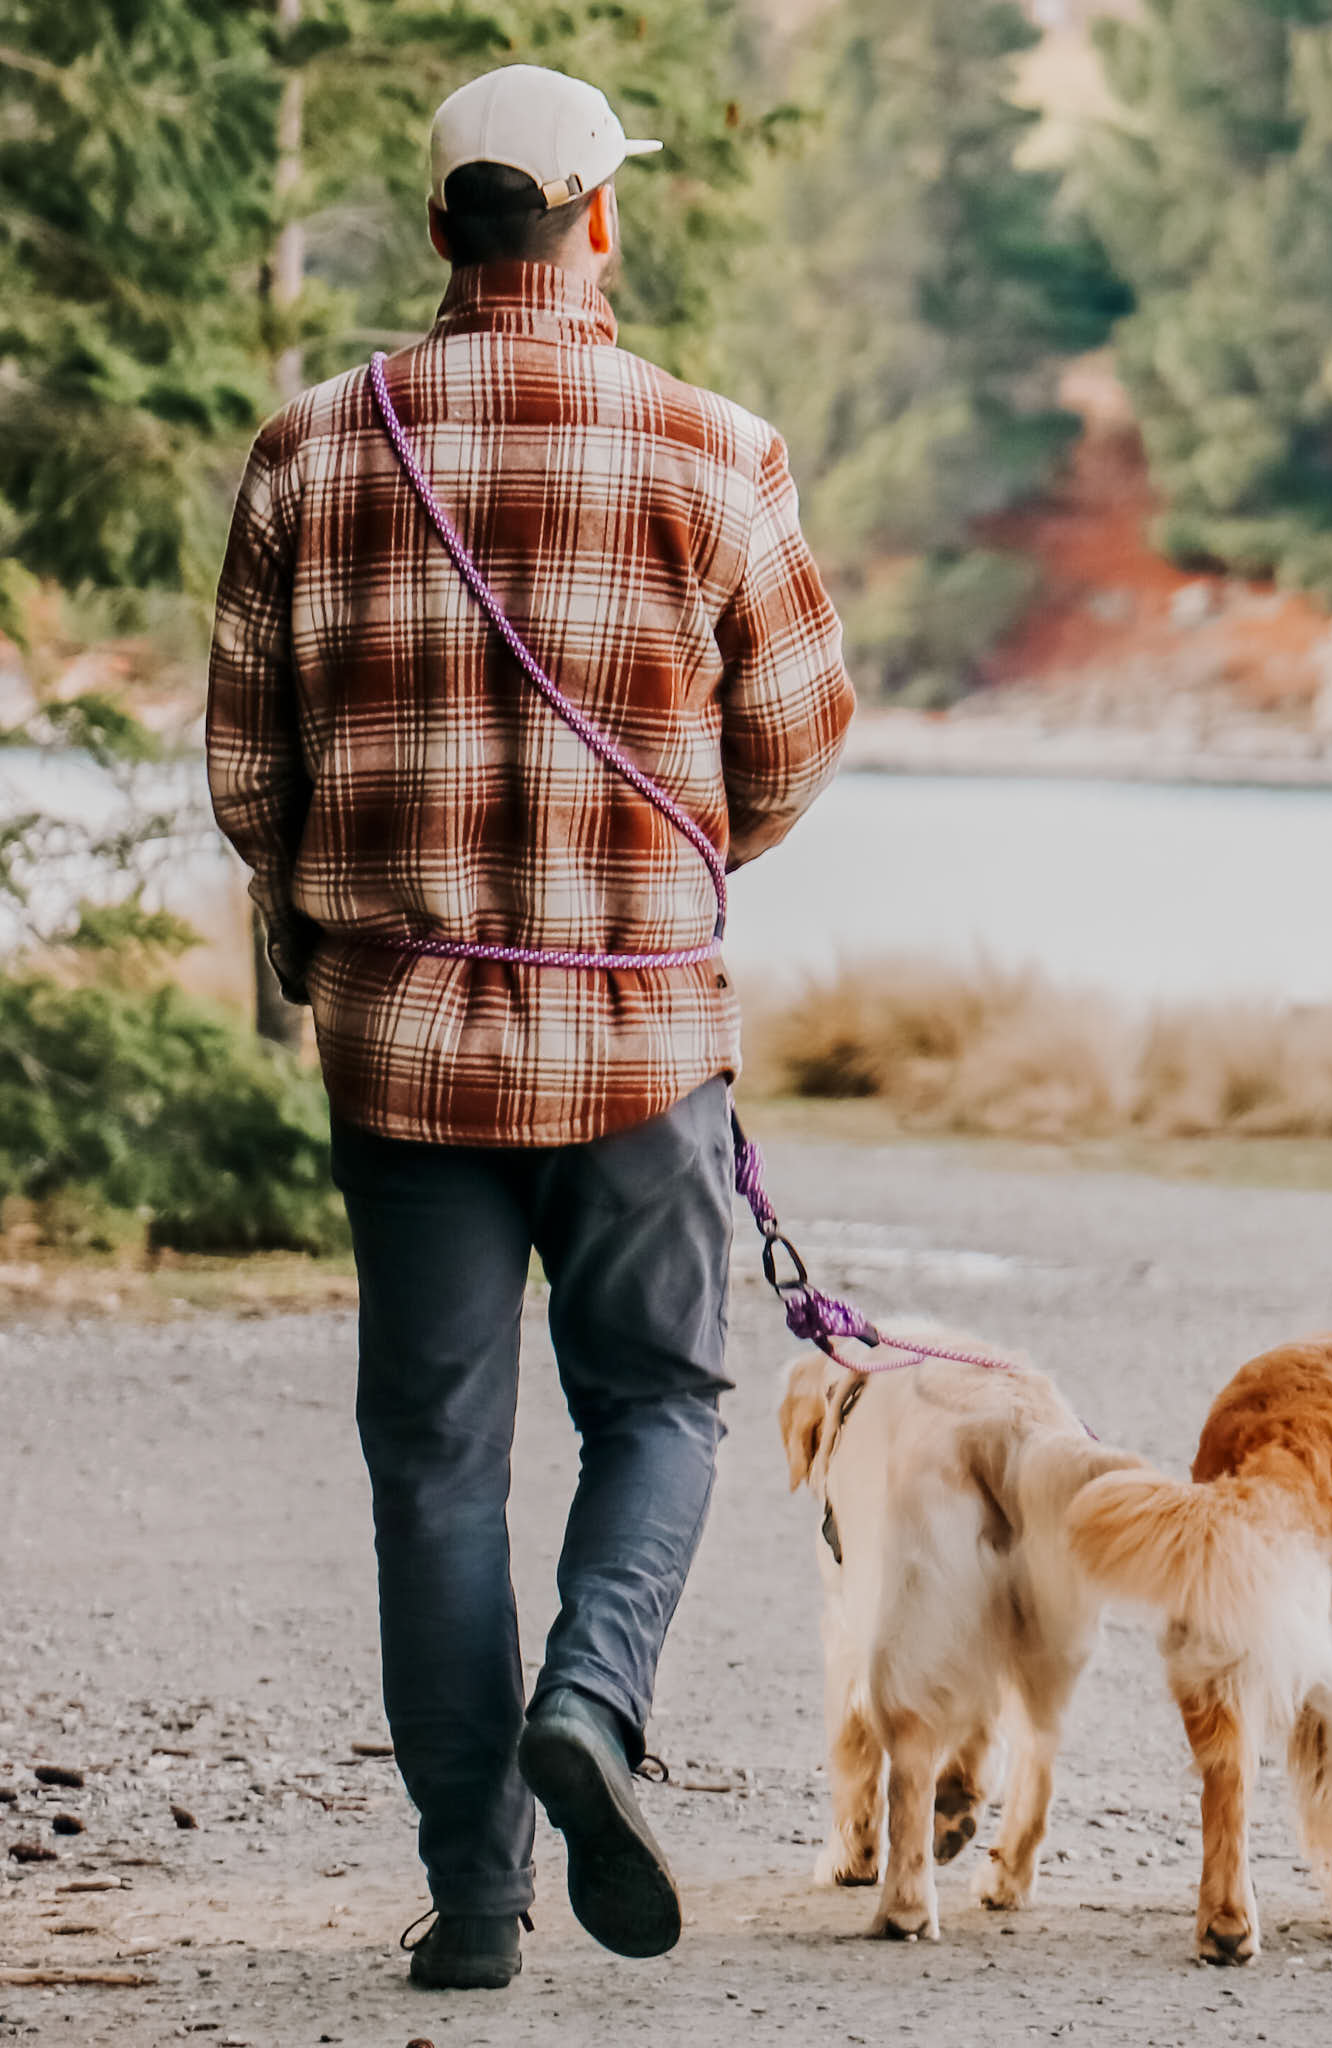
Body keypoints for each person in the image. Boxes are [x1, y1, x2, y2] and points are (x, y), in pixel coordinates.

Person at [206, 65, 855, 1992]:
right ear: (600, 224)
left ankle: (475, 1901)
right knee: (659, 1404)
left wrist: (352, 923)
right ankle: (595, 1694)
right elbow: (801, 734)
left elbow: (255, 778)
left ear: (434, 233)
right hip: (644, 1051)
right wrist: (662, 881)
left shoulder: (311, 452)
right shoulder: (714, 449)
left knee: (434, 1468)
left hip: (401, 1059)